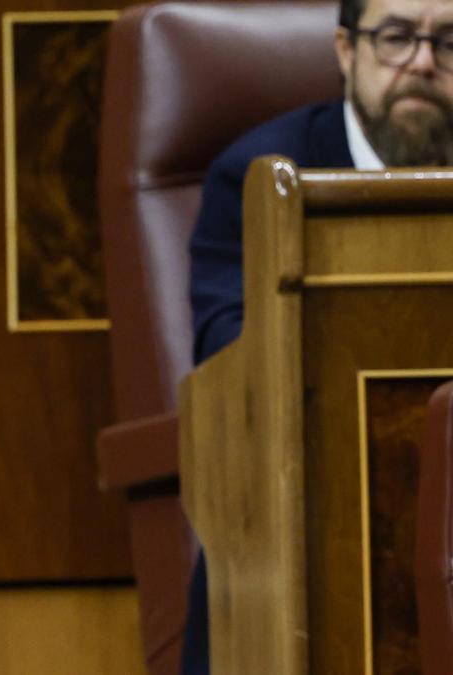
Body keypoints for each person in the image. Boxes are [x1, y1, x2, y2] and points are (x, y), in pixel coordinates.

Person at [184, 0, 453, 671]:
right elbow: (229, 352)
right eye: (397, 37)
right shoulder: (258, 174)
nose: (423, 62)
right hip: (308, 503)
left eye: (449, 41)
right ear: (345, 49)